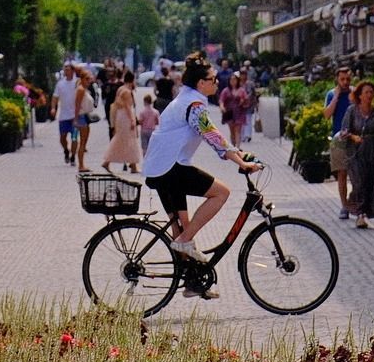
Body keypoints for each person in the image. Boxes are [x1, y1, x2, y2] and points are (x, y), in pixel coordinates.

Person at [143, 54, 261, 299]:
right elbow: (212, 136)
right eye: (212, 80)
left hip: (159, 167)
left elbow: (215, 135)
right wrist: (239, 162)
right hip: (171, 167)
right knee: (222, 192)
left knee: (181, 228)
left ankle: (192, 282)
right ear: (200, 84)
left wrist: (238, 153)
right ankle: (186, 242)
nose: (217, 83)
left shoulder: (184, 99)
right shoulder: (194, 105)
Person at [339, 81, 374, 229]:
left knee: (371, 183)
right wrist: (353, 137)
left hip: (372, 152)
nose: (369, 95)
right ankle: (359, 214)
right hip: (356, 152)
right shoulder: (352, 111)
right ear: (359, 95)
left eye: (371, 92)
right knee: (358, 182)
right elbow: (344, 131)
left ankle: (366, 212)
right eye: (366, 92)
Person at [322, 67, 355, 219]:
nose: (345, 82)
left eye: (348, 79)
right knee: (342, 173)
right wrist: (335, 97)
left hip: (355, 138)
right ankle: (344, 205)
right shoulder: (331, 94)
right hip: (339, 139)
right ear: (337, 79)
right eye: (342, 79)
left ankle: (357, 203)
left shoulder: (355, 93)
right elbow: (327, 115)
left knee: (356, 174)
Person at [103, 71, 142, 173]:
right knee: (129, 139)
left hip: (119, 116)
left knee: (122, 139)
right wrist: (133, 120)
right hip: (126, 117)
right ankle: (132, 165)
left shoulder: (120, 89)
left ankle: (132, 164)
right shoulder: (127, 92)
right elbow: (128, 107)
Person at [73, 69, 97, 172]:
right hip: (81, 116)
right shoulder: (81, 90)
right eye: (86, 79)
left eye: (89, 79)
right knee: (82, 142)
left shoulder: (84, 89)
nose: (88, 81)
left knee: (84, 141)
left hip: (85, 116)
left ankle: (82, 164)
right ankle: (81, 165)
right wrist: (75, 119)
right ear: (82, 79)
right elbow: (77, 105)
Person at [54, 63, 79, 165]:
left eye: (68, 70)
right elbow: (55, 96)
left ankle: (73, 156)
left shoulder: (77, 83)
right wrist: (53, 108)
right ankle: (66, 150)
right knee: (62, 138)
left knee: (74, 138)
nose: (66, 72)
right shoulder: (60, 84)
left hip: (74, 116)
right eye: (65, 70)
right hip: (63, 116)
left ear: (73, 71)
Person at [218, 74, 251, 148]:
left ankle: (238, 147)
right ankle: (233, 145)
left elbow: (246, 100)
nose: (233, 81)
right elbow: (221, 100)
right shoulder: (226, 90)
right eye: (231, 80)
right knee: (232, 131)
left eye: (234, 79)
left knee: (238, 130)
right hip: (229, 113)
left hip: (239, 112)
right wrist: (222, 107)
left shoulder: (241, 90)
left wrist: (243, 101)